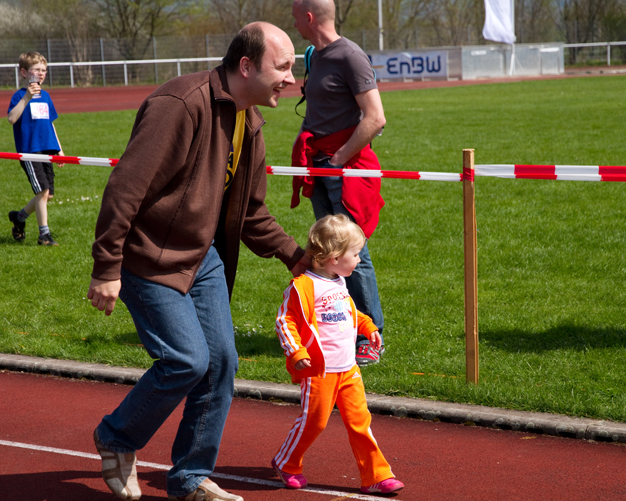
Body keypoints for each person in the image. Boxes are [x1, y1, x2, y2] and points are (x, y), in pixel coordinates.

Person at [87, 22, 308, 501]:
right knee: (186, 360)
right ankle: (116, 437)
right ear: (246, 65)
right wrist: (106, 267)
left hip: (201, 257)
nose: (292, 78)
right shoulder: (181, 104)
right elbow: (125, 188)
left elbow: (251, 213)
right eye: (283, 67)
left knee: (221, 362)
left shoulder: (250, 123)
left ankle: (189, 478)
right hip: (149, 252)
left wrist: (298, 258)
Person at [272, 214, 404, 495]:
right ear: (334, 258)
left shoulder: (339, 282)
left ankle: (376, 475)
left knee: (360, 422)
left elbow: (349, 313)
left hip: (348, 369)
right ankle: (287, 462)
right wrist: (296, 351)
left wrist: (368, 326)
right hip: (320, 372)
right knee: (314, 422)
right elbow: (285, 321)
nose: (359, 259)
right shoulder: (303, 287)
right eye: (355, 254)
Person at [290, 0, 387, 366]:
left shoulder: (351, 56)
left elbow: (375, 118)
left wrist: (338, 160)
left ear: (309, 17)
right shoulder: (313, 55)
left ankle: (370, 336)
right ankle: (339, 325)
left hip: (342, 168)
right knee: (326, 252)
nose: (294, 23)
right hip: (319, 167)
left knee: (352, 254)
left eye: (296, 17)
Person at [7, 51, 65, 246]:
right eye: (37, 69)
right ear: (24, 72)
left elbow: (50, 124)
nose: (41, 73)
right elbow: (11, 118)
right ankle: (44, 235)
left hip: (47, 150)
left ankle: (19, 218)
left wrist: (59, 149)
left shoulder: (46, 96)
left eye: (44, 70)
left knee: (48, 195)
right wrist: (27, 97)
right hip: (30, 151)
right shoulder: (19, 96)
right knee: (42, 191)